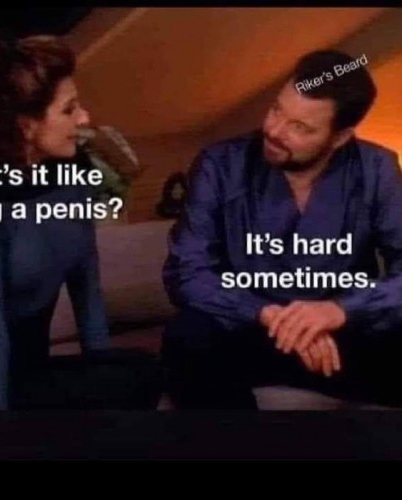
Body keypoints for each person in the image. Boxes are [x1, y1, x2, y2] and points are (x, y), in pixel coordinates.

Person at [0, 34, 161, 410]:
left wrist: (100, 373)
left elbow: (88, 296)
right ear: (26, 126)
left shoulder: (73, 182)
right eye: (69, 109)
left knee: (142, 372)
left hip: (30, 372)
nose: (84, 119)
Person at [162, 50, 402, 409]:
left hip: (341, 335)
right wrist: (270, 315)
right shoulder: (221, 164)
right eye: (276, 109)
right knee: (188, 336)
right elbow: (186, 272)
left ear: (340, 137)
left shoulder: (377, 168)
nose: (273, 131)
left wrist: (338, 310)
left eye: (299, 127)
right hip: (248, 328)